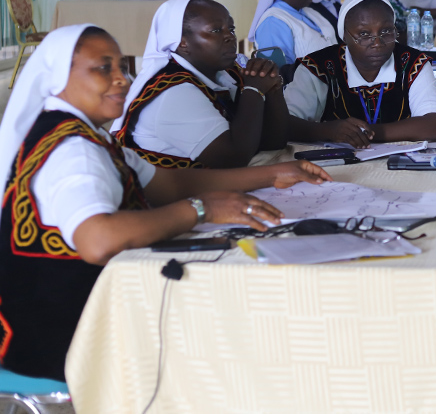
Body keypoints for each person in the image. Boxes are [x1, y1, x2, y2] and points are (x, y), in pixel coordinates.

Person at [0, 25, 330, 380]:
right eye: (102, 68)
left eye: (122, 68)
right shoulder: (74, 152)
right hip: (59, 336)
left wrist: (274, 174)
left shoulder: (83, 135)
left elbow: (171, 182)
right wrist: (201, 209)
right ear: (58, 77)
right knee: (234, 329)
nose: (122, 80)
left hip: (59, 316)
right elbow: (98, 241)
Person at [111, 0, 288, 169]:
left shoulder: (224, 74)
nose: (230, 37)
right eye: (216, 30)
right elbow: (233, 158)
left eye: (231, 29)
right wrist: (254, 89)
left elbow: (272, 140)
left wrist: (272, 86)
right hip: (163, 196)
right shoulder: (173, 92)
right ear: (183, 43)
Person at [286, 0, 436, 148]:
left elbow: (435, 126)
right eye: (363, 34)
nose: (377, 43)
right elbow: (285, 123)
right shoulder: (319, 66)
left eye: (386, 31)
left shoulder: (412, 63)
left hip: (399, 166)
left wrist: (364, 134)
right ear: (344, 36)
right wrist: (329, 131)